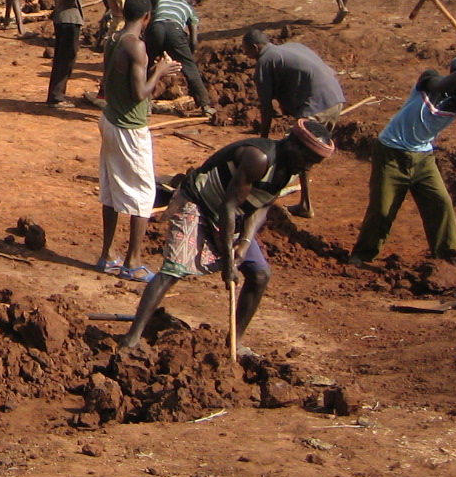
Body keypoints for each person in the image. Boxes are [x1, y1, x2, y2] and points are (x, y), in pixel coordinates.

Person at [121, 120, 336, 353]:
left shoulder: (291, 170)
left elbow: (262, 205)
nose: (308, 168)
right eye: (309, 160)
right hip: (199, 203)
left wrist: (244, 242)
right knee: (174, 269)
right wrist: (228, 259)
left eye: (315, 164)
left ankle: (235, 341)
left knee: (260, 274)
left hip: (232, 215)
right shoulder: (259, 158)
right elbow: (229, 207)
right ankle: (132, 338)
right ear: (293, 144)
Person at [348, 31, 456, 266]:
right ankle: (363, 254)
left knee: (441, 204)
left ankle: (448, 259)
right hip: (390, 152)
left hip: (423, 158)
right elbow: (442, 83)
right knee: (382, 210)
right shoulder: (430, 80)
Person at [97, 0, 180, 280]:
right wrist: (159, 71)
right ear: (147, 17)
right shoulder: (136, 47)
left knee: (111, 188)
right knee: (143, 194)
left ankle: (107, 255)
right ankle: (133, 262)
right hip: (129, 128)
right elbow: (140, 93)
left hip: (110, 120)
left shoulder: (114, 39)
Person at [244, 30, 345, 217]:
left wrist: (262, 142)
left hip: (316, 104)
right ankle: (304, 204)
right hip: (335, 99)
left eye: (246, 50)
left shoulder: (265, 62)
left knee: (295, 153)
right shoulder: (293, 47)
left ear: (255, 47)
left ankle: (265, 200)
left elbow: (266, 108)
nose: (245, 54)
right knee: (305, 154)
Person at [144, 0, 215, 118]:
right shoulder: (190, 9)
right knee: (191, 69)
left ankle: (145, 106)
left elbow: (151, 22)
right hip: (174, 30)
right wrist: (189, 57)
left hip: (156, 28)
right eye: (194, 0)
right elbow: (193, 40)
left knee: (146, 67)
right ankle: (205, 106)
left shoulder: (163, 1)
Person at [46, 0, 94, 106]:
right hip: (70, 19)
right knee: (67, 58)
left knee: (60, 56)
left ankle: (53, 95)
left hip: (59, 17)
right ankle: (57, 98)